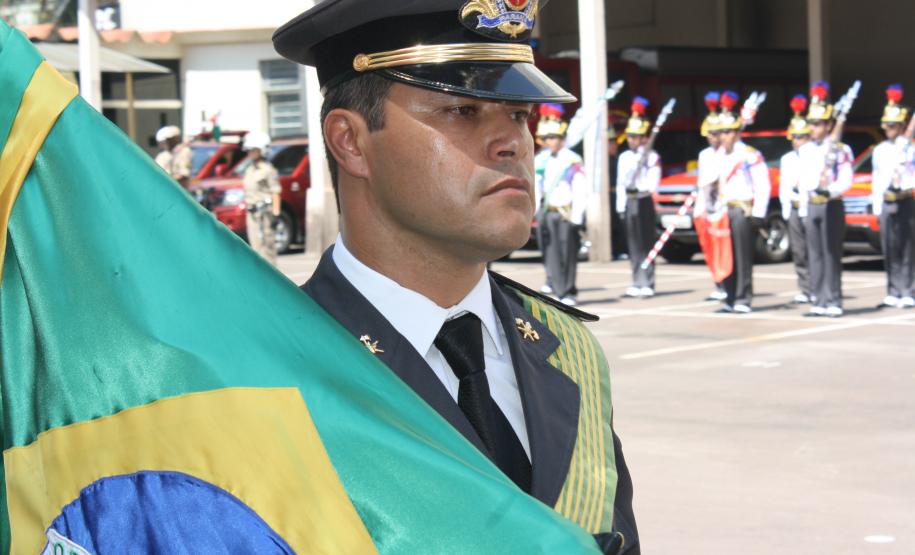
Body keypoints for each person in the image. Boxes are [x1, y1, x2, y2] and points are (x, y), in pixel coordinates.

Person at [274, 1, 638, 552]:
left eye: (518, 114)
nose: (513, 143)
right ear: (350, 141)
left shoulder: (569, 353)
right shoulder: (275, 369)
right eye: (463, 111)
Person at [698, 91, 771, 313]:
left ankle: (743, 298)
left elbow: (763, 185)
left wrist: (759, 212)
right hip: (722, 210)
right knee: (725, 255)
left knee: (742, 256)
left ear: (737, 132)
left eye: (728, 132)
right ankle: (728, 297)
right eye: (721, 132)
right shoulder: (717, 156)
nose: (723, 136)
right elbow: (708, 182)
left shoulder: (749, 155)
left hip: (741, 209)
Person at [798, 82, 854, 318]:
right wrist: (804, 206)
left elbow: (846, 179)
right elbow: (803, 181)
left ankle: (833, 299)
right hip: (812, 204)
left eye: (818, 124)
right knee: (815, 254)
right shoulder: (807, 150)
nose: (813, 128)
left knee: (831, 253)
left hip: (830, 204)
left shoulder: (841, 149)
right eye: (811, 123)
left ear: (829, 125)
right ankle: (818, 299)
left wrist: (830, 191)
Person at [534, 103, 590, 306]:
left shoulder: (572, 160)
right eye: (546, 138)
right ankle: (558, 289)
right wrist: (535, 211)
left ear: (561, 138)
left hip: (566, 213)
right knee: (551, 253)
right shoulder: (541, 160)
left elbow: (580, 190)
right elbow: (536, 187)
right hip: (548, 212)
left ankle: (569, 291)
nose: (548, 141)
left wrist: (577, 216)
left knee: (568, 253)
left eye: (552, 137)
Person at [871, 84, 915, 308]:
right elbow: (877, 179)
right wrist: (877, 207)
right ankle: (893, 290)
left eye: (892, 125)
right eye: (886, 125)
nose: (888, 129)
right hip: (887, 201)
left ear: (901, 125)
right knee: (889, 248)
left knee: (907, 247)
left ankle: (908, 290)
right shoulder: (880, 150)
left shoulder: (911, 149)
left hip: (905, 199)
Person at [616, 97, 661, 297]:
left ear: (644, 137)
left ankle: (648, 282)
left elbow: (652, 183)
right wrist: (620, 206)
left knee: (646, 243)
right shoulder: (625, 157)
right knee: (633, 244)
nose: (631, 139)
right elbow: (620, 183)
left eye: (636, 136)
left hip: (643, 199)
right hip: (629, 199)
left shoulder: (651, 156)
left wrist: (641, 166)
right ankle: (636, 280)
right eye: (630, 135)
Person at [779, 95, 813, 304]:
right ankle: (805, 287)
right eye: (794, 137)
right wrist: (785, 207)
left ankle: (817, 286)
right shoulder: (787, 159)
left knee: (814, 250)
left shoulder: (814, 155)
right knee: (799, 251)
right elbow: (784, 185)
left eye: (800, 137)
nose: (796, 141)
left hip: (809, 207)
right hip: (793, 206)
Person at [696, 92, 727, 301]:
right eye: (710, 133)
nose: (712, 137)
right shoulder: (704, 155)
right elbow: (702, 182)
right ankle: (718, 283)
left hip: (723, 207)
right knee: (711, 247)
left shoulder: (728, 153)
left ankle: (727, 284)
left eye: (716, 133)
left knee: (725, 249)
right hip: (708, 206)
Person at [241, 131, 281, 265]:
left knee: (267, 249)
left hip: (265, 213)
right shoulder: (250, 169)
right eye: (249, 150)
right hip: (252, 213)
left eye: (253, 150)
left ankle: (273, 279)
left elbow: (275, 191)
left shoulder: (268, 170)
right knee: (255, 248)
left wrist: (275, 214)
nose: (250, 153)